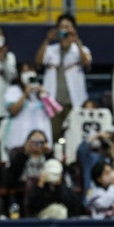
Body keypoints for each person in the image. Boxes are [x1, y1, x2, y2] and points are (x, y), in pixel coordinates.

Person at [35, 13, 92, 142]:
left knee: (74, 137)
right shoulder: (50, 49)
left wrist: (76, 41)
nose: (65, 30)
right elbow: (38, 61)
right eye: (62, 27)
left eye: (68, 27)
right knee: (53, 136)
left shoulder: (80, 49)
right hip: (53, 103)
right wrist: (47, 39)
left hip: (74, 103)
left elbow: (86, 62)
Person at [0, 62, 53, 162]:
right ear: (19, 75)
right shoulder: (13, 90)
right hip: (19, 137)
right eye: (24, 71)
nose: (28, 73)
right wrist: (25, 94)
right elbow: (13, 111)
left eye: (30, 70)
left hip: (41, 136)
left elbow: (53, 113)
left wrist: (44, 96)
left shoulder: (43, 90)